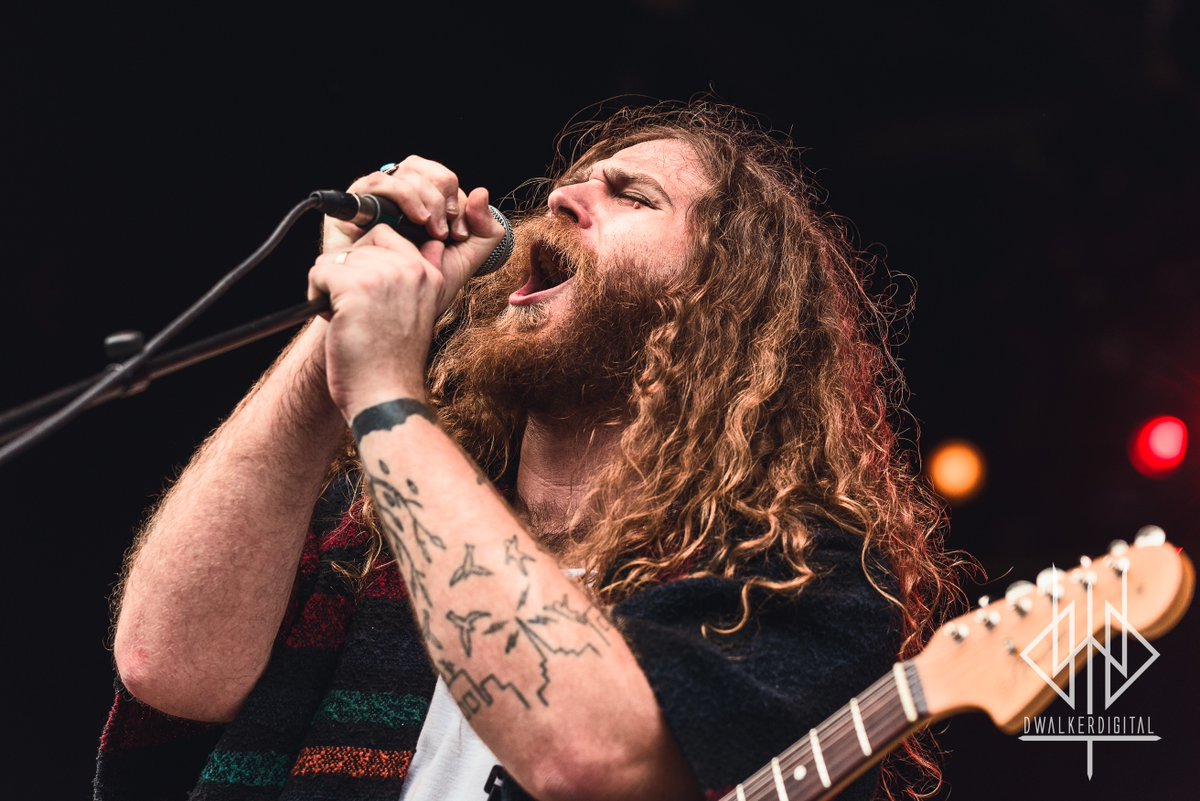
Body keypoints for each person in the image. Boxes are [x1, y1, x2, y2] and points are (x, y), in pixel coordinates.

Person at [93, 97, 964, 801]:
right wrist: (335, 336)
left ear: (716, 304)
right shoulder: (375, 529)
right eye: (573, 181)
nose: (559, 199)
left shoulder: (805, 580)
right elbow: (166, 664)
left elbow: (588, 756)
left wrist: (390, 395)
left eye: (632, 195)